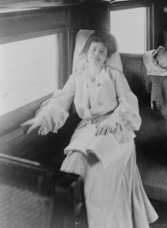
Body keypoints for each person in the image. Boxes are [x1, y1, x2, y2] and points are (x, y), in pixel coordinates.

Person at [21, 31, 158, 228]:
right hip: (87, 128)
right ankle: (69, 220)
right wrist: (42, 118)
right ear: (86, 53)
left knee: (96, 167)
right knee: (73, 164)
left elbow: (128, 103)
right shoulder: (76, 77)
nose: (96, 54)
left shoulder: (115, 75)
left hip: (116, 130)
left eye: (102, 51)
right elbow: (61, 100)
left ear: (106, 56)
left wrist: (113, 120)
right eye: (93, 50)